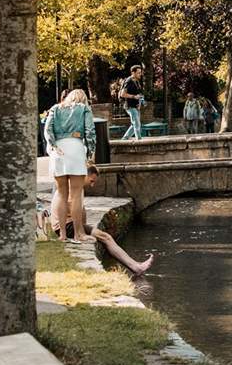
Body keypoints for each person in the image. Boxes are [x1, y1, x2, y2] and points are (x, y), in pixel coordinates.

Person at [56, 165, 154, 275]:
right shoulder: (73, 189)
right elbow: (70, 210)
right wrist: (80, 232)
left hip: (71, 225)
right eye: (91, 181)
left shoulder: (76, 188)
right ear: (84, 176)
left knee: (105, 237)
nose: (92, 185)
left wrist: (83, 228)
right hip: (69, 226)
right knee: (105, 237)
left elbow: (80, 212)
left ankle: (135, 266)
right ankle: (136, 267)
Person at [44, 89, 96, 240]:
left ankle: (63, 235)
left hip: (58, 151)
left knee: (61, 193)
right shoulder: (84, 109)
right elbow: (90, 132)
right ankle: (79, 233)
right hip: (76, 147)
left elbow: (47, 130)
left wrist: (53, 145)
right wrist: (89, 152)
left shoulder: (55, 108)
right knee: (76, 195)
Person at [118, 64, 145, 140]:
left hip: (135, 106)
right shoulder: (128, 81)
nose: (140, 74)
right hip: (129, 106)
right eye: (138, 73)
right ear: (133, 73)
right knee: (136, 123)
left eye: (140, 72)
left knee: (134, 124)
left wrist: (139, 102)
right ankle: (139, 140)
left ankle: (124, 138)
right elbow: (122, 94)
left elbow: (138, 94)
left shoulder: (137, 82)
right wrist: (134, 97)